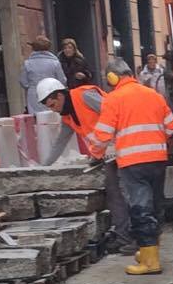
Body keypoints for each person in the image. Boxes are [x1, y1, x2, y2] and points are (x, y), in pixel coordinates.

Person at [82, 56, 173, 277]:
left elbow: (103, 134)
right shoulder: (152, 95)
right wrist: (156, 140)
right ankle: (148, 252)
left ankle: (151, 262)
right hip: (158, 159)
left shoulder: (113, 99)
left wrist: (95, 154)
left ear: (112, 77)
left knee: (141, 209)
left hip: (133, 163)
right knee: (156, 206)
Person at [36, 74, 132, 250]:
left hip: (126, 147)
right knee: (114, 194)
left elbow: (114, 111)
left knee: (127, 192)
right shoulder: (68, 117)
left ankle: (138, 236)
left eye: (53, 105)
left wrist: (115, 142)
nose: (53, 110)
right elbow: (60, 142)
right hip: (108, 155)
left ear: (60, 95)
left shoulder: (84, 96)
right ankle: (124, 237)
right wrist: (43, 167)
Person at [20, 35, 63, 104]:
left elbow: (23, 81)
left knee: (35, 111)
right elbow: (62, 80)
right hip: (52, 94)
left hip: (34, 95)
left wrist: (31, 87)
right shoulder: (55, 63)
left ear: (33, 48)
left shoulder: (27, 63)